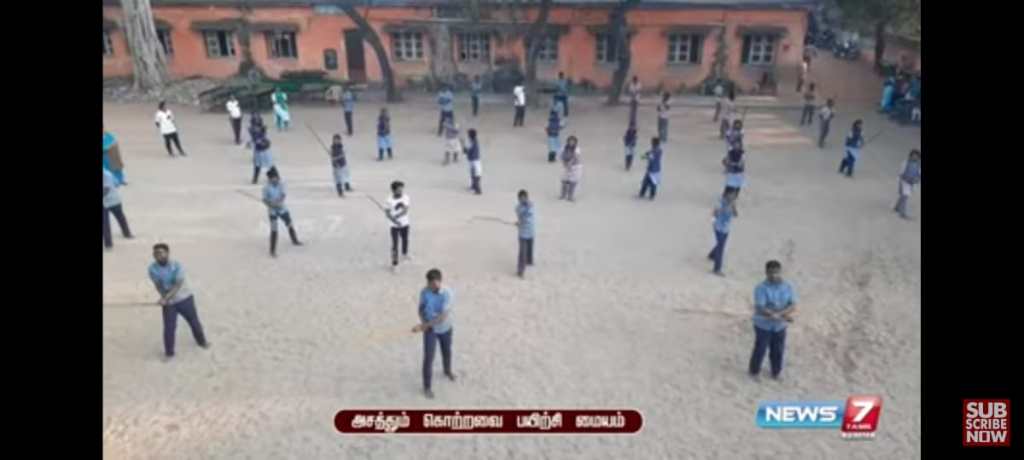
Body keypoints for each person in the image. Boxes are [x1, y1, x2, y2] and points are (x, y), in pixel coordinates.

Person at [149, 243, 209, 362]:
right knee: (169, 328)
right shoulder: (152, 269)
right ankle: (169, 353)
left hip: (185, 298)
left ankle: (202, 342)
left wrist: (166, 298)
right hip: (169, 302)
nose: (157, 255)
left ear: (167, 253)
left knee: (194, 322)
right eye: (155, 253)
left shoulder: (177, 266)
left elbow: (178, 284)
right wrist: (163, 296)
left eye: (160, 252)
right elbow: (158, 285)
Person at [748, 260, 797, 381]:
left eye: (776, 272)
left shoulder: (788, 287)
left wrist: (780, 315)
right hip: (763, 325)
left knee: (778, 350)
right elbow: (760, 307)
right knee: (760, 349)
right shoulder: (760, 288)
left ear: (780, 272)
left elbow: (792, 305)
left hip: (780, 325)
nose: (774, 275)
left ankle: (776, 372)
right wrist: (774, 315)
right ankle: (754, 371)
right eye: (771, 272)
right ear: (766, 273)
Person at [411, 268, 455, 399]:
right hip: (430, 330)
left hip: (445, 328)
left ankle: (447, 371)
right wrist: (423, 322)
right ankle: (427, 387)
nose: (431, 286)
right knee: (428, 358)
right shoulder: (424, 292)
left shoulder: (448, 293)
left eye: (434, 284)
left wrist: (424, 326)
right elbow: (421, 309)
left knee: (446, 352)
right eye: (429, 283)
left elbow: (442, 317)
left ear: (440, 281)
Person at [262, 167, 303, 257]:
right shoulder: (266, 188)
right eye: (272, 179)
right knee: (274, 229)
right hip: (272, 211)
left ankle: (295, 240)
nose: (275, 180)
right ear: (269, 179)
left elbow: (283, 195)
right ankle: (272, 250)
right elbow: (264, 199)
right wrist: (270, 204)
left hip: (282, 209)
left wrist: (279, 202)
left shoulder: (281, 184)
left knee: (289, 223)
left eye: (276, 178)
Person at [708, 190, 739, 276]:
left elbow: (736, 215)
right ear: (726, 194)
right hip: (718, 227)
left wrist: (733, 207)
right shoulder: (720, 203)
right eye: (731, 195)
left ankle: (712, 255)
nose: (733, 197)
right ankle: (717, 269)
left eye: (734, 196)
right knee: (721, 248)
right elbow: (714, 214)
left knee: (721, 244)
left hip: (726, 228)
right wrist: (714, 223)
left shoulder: (733, 203)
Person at [102, 168, 133, 250]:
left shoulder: (106, 175)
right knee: (108, 222)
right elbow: (117, 183)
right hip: (113, 199)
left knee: (118, 218)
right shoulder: (108, 173)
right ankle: (110, 243)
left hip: (111, 200)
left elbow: (106, 189)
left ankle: (126, 233)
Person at [385, 181, 411, 272]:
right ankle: (394, 263)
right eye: (399, 190)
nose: (401, 191)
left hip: (405, 223)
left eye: (401, 189)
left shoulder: (406, 197)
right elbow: (387, 213)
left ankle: (404, 254)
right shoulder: (389, 200)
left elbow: (405, 210)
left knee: (405, 239)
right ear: (393, 190)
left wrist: (396, 217)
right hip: (394, 226)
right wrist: (394, 221)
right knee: (395, 245)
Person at [893, 149, 922, 220]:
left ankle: (896, 208)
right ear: (910, 155)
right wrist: (905, 179)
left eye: (916, 156)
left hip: (912, 183)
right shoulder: (905, 162)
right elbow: (901, 173)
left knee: (903, 196)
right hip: (904, 182)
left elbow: (919, 174)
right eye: (913, 155)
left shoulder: (918, 165)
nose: (915, 157)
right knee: (905, 196)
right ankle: (902, 213)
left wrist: (917, 180)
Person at [248, 113, 274, 185]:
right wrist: (255, 141)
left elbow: (262, 136)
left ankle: (272, 177)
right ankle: (256, 178)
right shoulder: (253, 129)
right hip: (259, 149)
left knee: (267, 164)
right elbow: (255, 138)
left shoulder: (261, 128)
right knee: (259, 164)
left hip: (264, 148)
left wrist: (260, 140)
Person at [515, 190, 536, 278]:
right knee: (522, 253)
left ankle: (529, 262)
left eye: (525, 198)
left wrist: (528, 205)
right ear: (519, 199)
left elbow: (530, 212)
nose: (523, 200)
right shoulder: (518, 207)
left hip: (531, 232)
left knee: (529, 250)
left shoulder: (531, 205)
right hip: (523, 234)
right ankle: (520, 271)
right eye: (521, 198)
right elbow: (522, 215)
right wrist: (519, 222)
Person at [559, 135, 582, 202]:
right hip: (566, 166)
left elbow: (576, 157)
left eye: (573, 142)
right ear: (568, 141)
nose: (571, 143)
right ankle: (563, 195)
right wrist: (564, 163)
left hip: (575, 167)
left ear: (575, 142)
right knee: (564, 181)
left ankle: (570, 196)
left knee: (573, 182)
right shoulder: (563, 148)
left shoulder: (577, 149)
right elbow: (561, 156)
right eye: (570, 141)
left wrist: (570, 163)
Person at [465, 128, 482, 195]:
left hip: (474, 161)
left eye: (468, 134)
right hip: (474, 160)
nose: (467, 135)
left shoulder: (473, 142)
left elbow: (468, 151)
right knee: (473, 174)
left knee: (475, 175)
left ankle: (478, 190)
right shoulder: (474, 141)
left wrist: (464, 149)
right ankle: (473, 186)